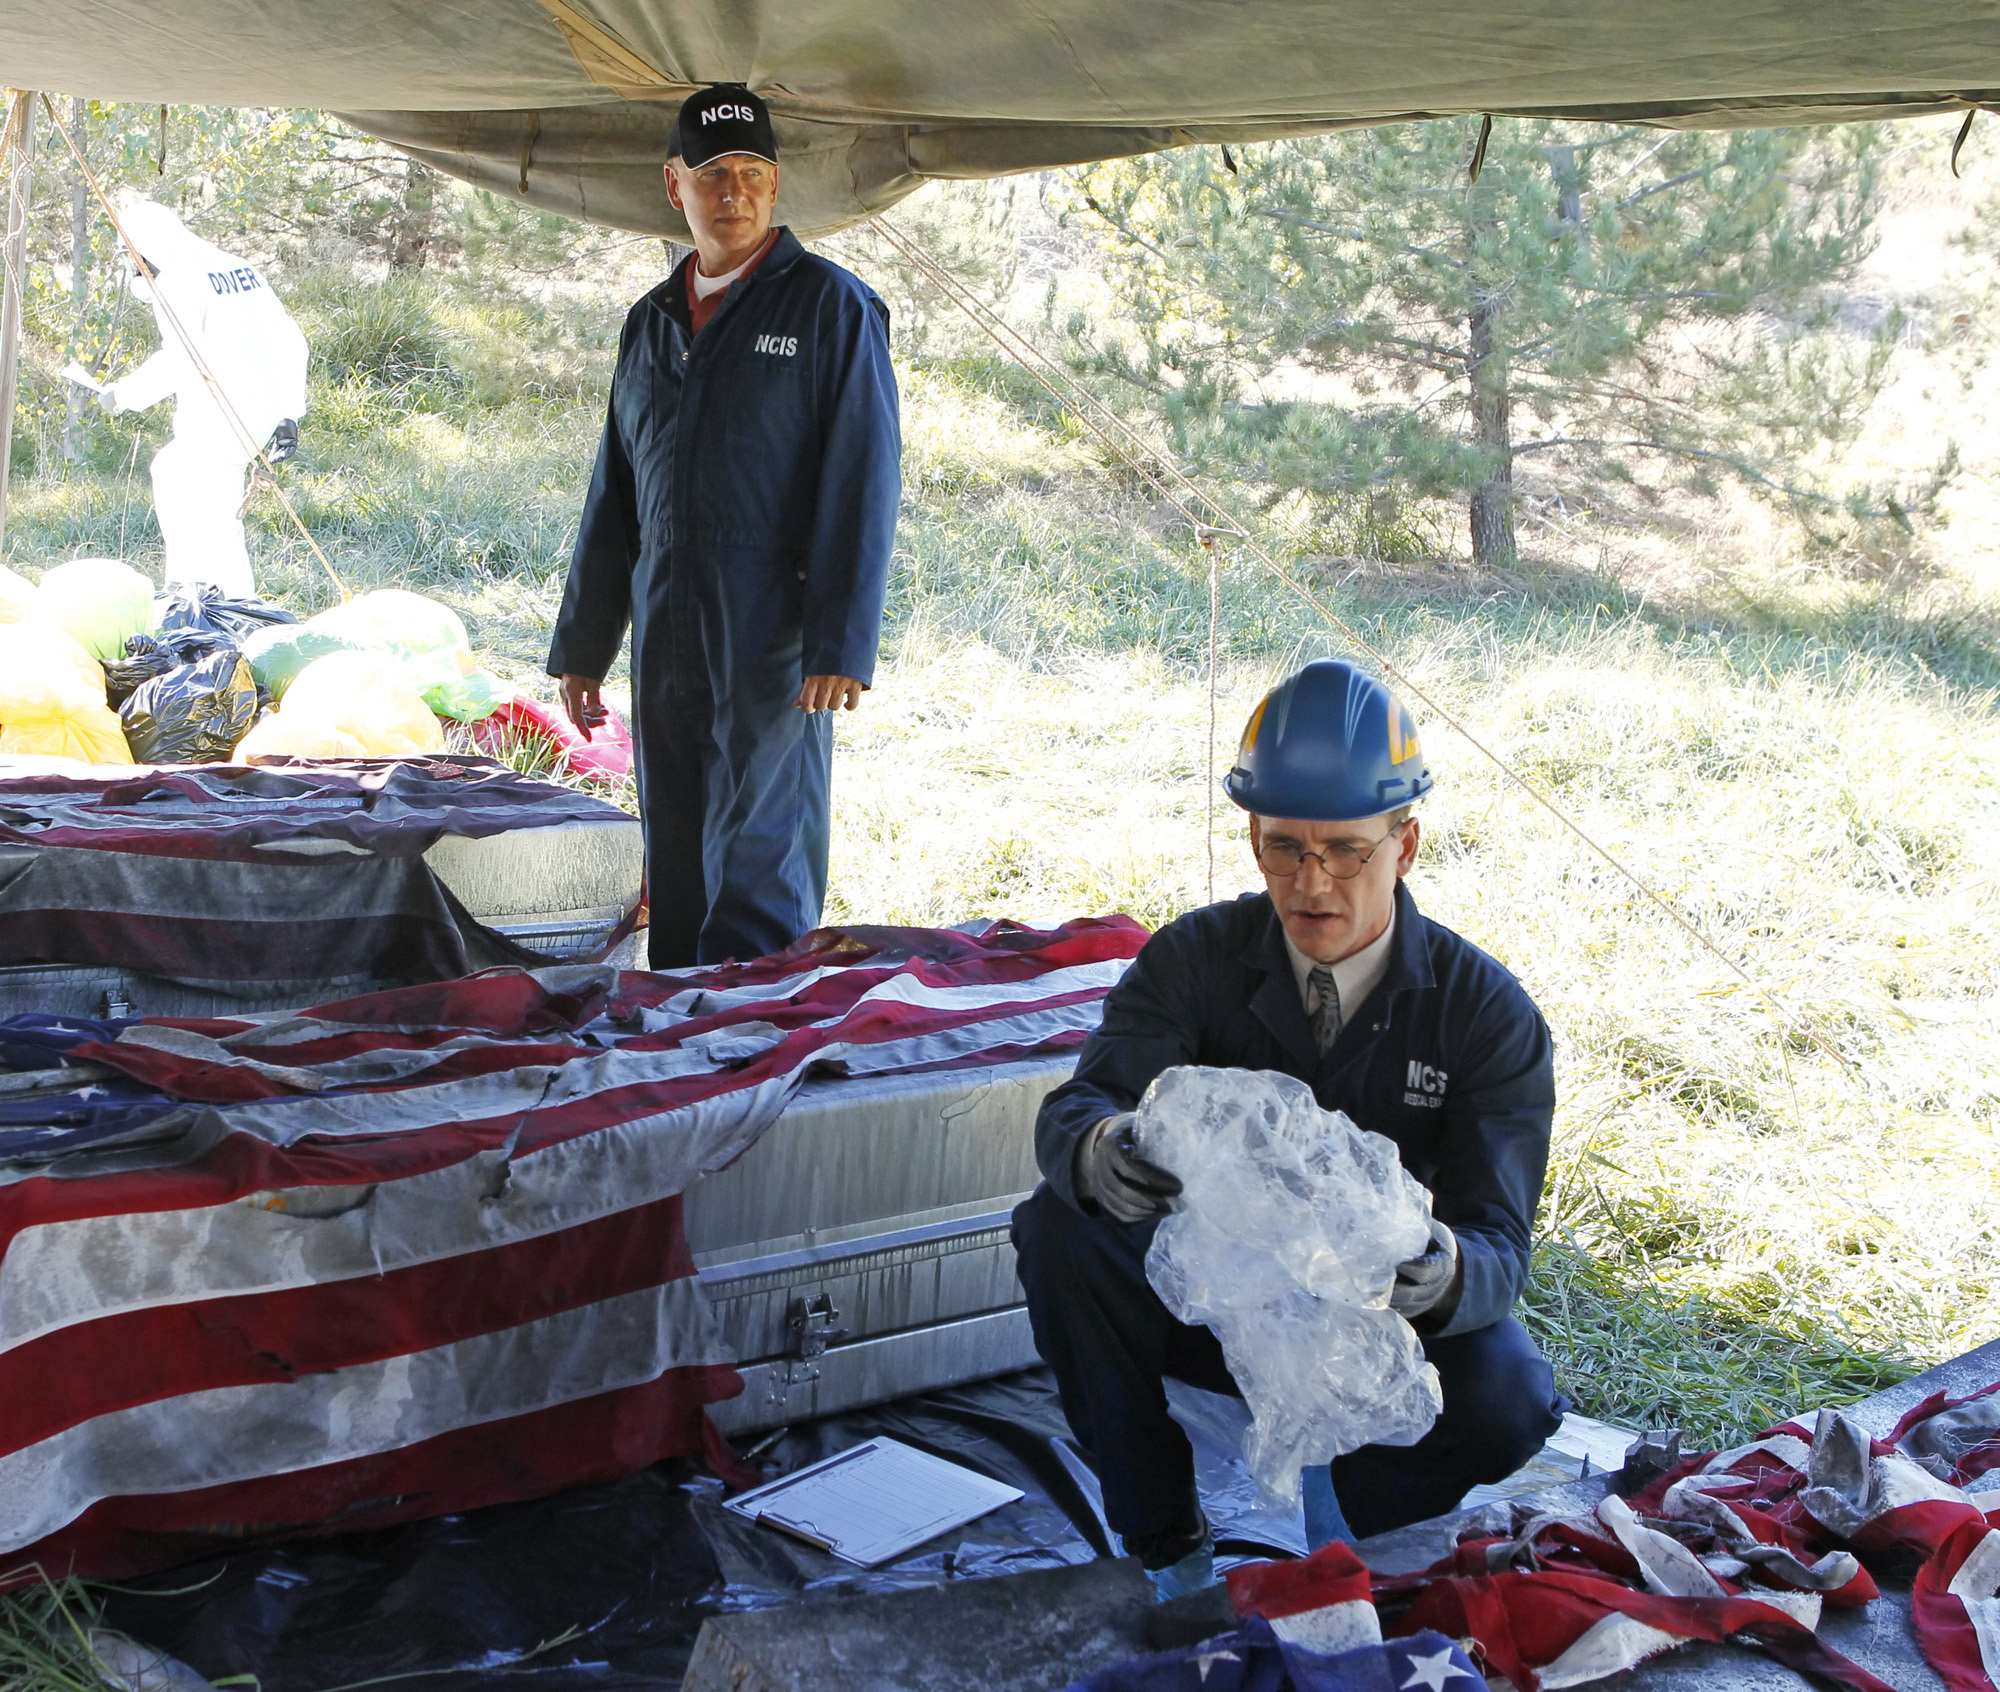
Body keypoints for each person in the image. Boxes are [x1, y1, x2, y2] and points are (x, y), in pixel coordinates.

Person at [1013, 657, 1563, 1596]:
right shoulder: (1197, 957)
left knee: (1511, 1398)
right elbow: (1081, 1105)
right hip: (1217, 1305)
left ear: (1406, 844)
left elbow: (1500, 1244)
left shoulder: (1484, 1014)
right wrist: (1101, 1154)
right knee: (1059, 1226)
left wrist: (1438, 1273)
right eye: (1282, 848)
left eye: (1345, 849)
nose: (1312, 882)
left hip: (1380, 1326)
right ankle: (1163, 1541)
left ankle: (1348, 1516)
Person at [547, 84, 900, 968]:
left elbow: (864, 482)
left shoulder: (829, 308)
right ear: (676, 187)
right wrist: (585, 645)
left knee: (759, 848)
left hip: (772, 627)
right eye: (713, 175)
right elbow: (614, 494)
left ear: (775, 187)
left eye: (752, 173)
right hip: (665, 617)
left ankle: (750, 1042)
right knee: (676, 839)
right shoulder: (651, 323)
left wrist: (840, 641)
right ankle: (678, 1039)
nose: (733, 192)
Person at [90, 198, 308, 598]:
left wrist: (122, 395)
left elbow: (183, 359)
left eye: (135, 259)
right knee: (179, 480)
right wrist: (290, 412)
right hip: (260, 413)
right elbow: (291, 338)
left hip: (221, 418)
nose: (138, 271)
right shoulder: (237, 266)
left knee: (200, 507)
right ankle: (211, 599)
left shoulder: (177, 279)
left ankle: (202, 605)